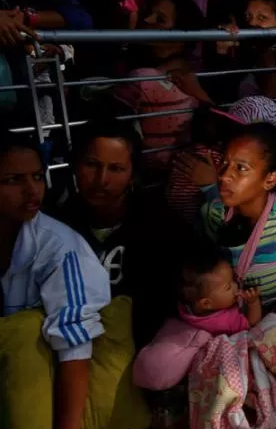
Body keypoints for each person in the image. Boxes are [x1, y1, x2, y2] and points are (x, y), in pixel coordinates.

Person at [0, 133, 111, 429]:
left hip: (40, 411)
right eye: (13, 180)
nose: (32, 190)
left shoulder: (60, 248)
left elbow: (74, 345)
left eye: (36, 176)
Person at [56, 117, 186, 348]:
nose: (101, 179)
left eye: (116, 168)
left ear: (133, 175)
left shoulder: (160, 226)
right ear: (75, 165)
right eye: (91, 164)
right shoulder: (58, 226)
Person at [187, 123, 276, 341]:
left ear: (270, 179)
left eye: (241, 168)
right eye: (224, 163)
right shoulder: (214, 214)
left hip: (269, 345)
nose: (224, 176)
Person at [112, 0, 210, 172]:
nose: (147, 20)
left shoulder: (142, 78)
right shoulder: (190, 75)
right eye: (149, 13)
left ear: (180, 40)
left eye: (160, 19)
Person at [176, 243, 262, 335]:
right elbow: (252, 323)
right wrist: (253, 302)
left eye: (233, 279)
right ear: (206, 303)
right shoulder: (225, 322)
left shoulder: (187, 306)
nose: (236, 285)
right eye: (228, 287)